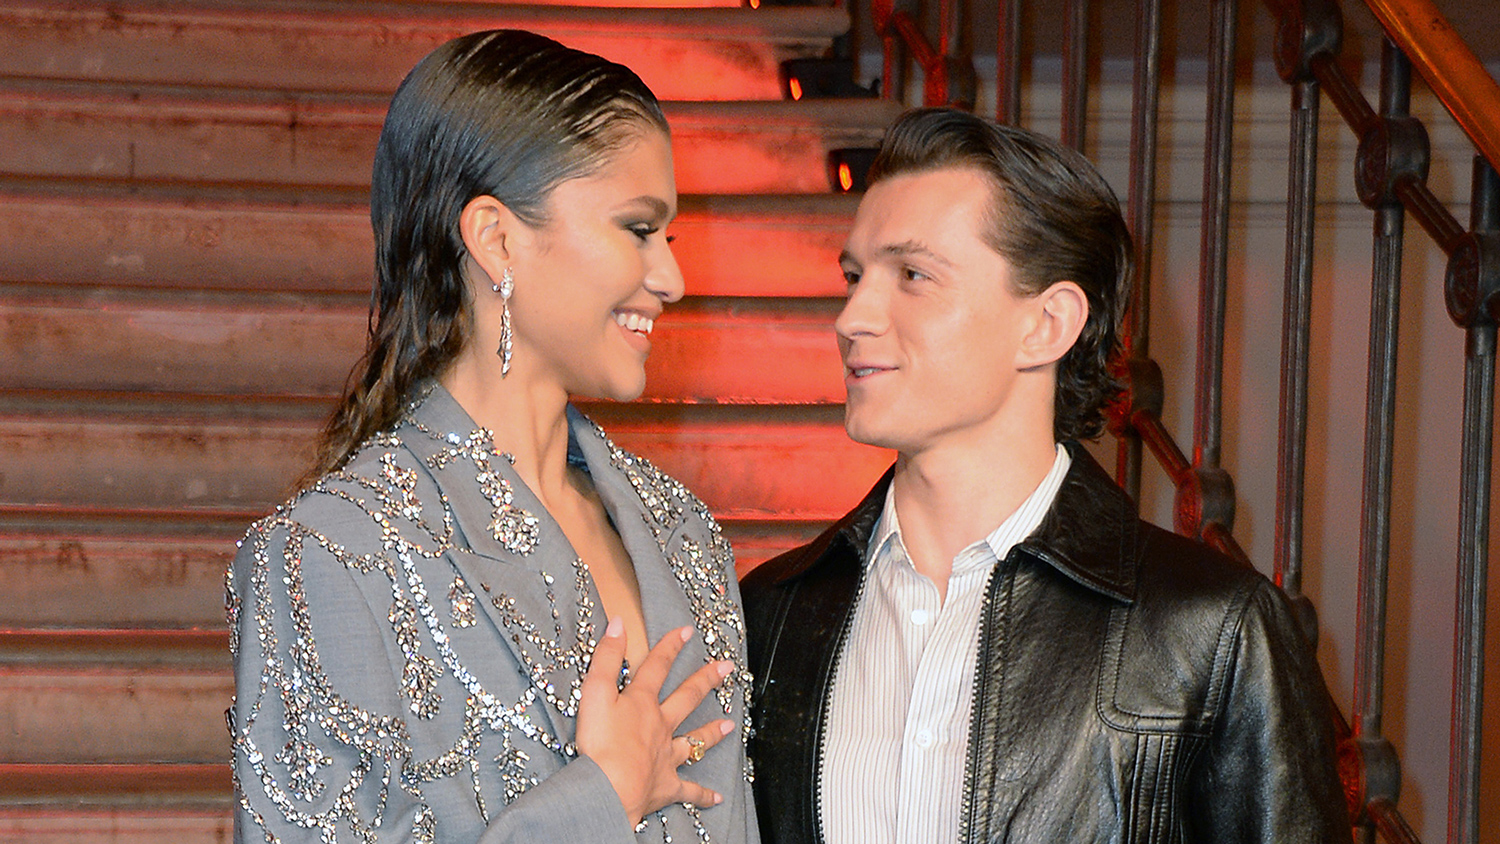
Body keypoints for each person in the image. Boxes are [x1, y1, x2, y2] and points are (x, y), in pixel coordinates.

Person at [740, 108, 1349, 843]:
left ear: (1048, 325)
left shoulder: (1211, 630)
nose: (853, 315)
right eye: (854, 276)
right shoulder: (769, 614)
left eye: (911, 274)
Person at [227, 30, 758, 844]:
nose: (672, 279)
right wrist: (599, 800)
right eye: (639, 228)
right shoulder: (331, 553)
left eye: (671, 236)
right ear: (497, 238)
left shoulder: (682, 529)